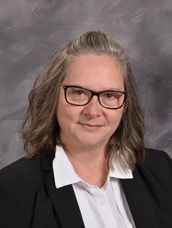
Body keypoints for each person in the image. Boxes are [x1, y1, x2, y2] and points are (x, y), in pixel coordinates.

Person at [0, 31, 172, 228]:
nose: (93, 111)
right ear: (53, 98)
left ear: (125, 104)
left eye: (109, 95)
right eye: (79, 92)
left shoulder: (161, 169)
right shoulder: (12, 189)